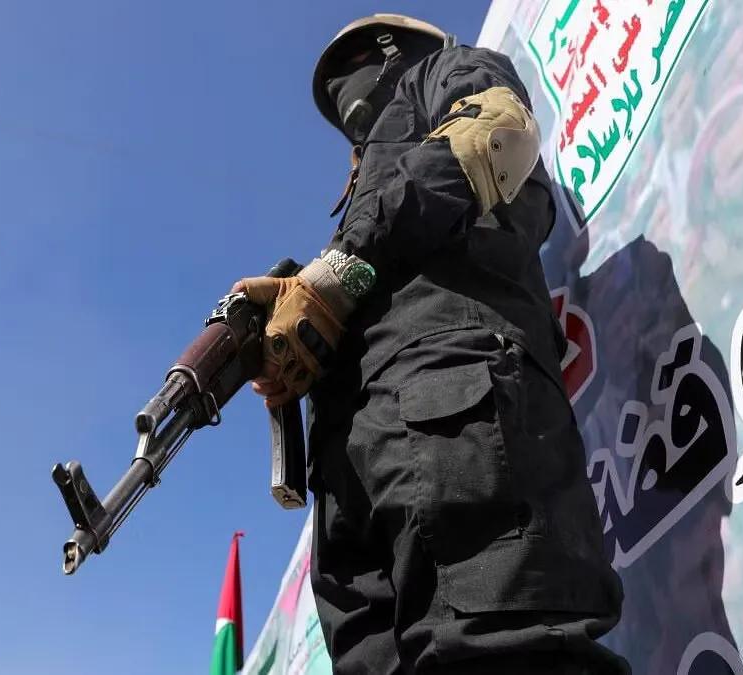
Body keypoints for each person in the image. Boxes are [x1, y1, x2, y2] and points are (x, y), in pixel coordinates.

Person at [232, 15, 629, 674]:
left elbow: (497, 134)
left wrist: (339, 269)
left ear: (400, 47)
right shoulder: (365, 192)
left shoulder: (443, 76)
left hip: (452, 400)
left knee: (499, 654)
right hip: (356, 471)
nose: (347, 84)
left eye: (360, 56)